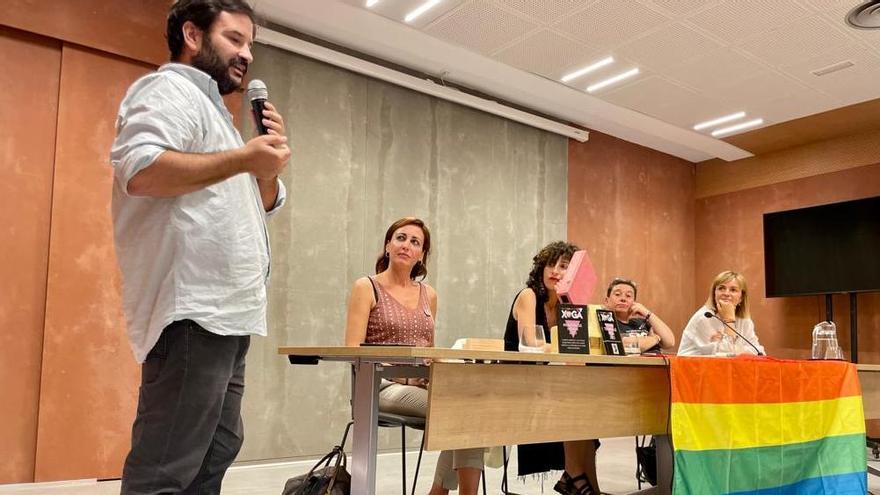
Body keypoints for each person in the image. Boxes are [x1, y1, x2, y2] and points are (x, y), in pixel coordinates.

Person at [109, 1, 291, 493]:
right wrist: (242, 159)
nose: (247, 54)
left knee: (217, 448)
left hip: (230, 313)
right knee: (168, 462)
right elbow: (142, 171)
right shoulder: (166, 90)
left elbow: (260, 203)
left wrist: (265, 171)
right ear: (192, 34)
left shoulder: (222, 119)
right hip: (193, 309)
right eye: (235, 39)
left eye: (250, 44)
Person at [344, 217, 485, 495]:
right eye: (400, 238)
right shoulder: (367, 287)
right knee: (461, 410)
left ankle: (440, 492)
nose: (406, 245)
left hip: (423, 384)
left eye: (415, 241)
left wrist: (443, 362)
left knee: (475, 407)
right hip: (380, 386)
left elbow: (428, 348)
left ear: (422, 254)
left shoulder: (428, 294)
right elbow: (352, 350)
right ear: (388, 245)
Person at [502, 241, 600, 495]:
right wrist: (565, 346)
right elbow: (530, 343)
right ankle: (574, 476)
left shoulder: (568, 306)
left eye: (564, 267)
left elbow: (576, 350)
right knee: (573, 403)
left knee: (587, 408)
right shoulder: (529, 295)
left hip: (547, 380)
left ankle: (586, 484)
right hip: (516, 380)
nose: (555, 271)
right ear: (540, 268)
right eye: (551, 264)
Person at [678, 270, 765, 356]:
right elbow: (727, 355)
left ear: (741, 298)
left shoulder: (744, 320)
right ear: (714, 294)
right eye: (721, 288)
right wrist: (729, 321)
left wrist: (734, 348)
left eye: (733, 290)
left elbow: (759, 352)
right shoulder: (704, 317)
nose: (726, 293)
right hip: (691, 367)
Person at [604, 278, 675, 353]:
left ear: (634, 302)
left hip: (655, 363)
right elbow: (625, 346)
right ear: (607, 301)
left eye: (628, 296)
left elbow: (669, 342)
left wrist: (647, 313)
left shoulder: (643, 322)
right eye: (617, 294)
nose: (623, 299)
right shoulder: (606, 324)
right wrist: (655, 339)